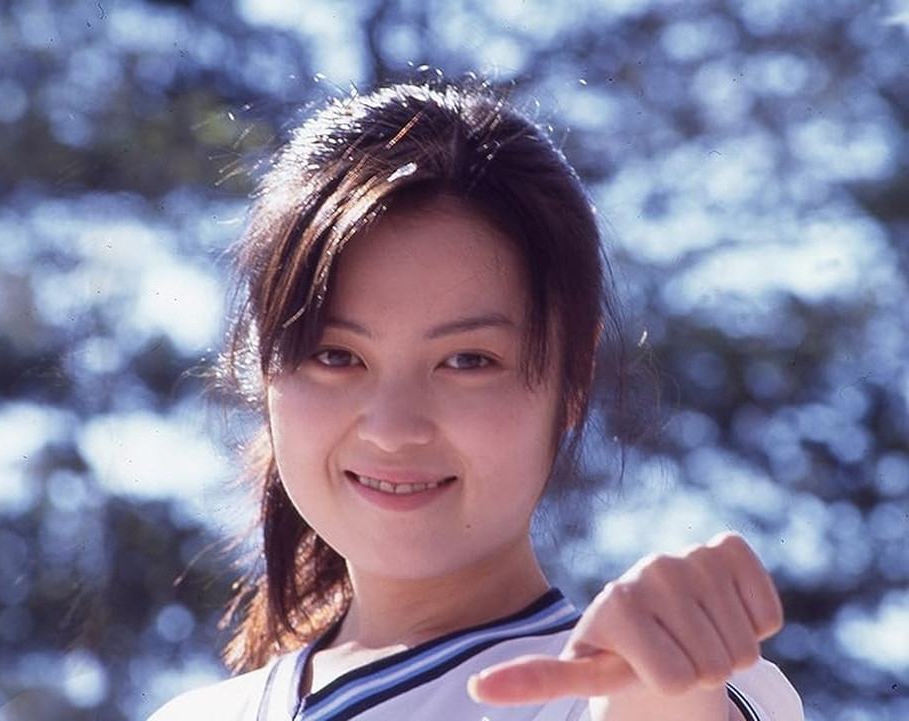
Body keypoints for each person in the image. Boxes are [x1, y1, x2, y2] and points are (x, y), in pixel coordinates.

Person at [149, 78, 803, 720]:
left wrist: (661, 693)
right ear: (265, 368)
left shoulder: (660, 686)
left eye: (467, 361)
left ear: (573, 378)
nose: (393, 429)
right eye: (337, 356)